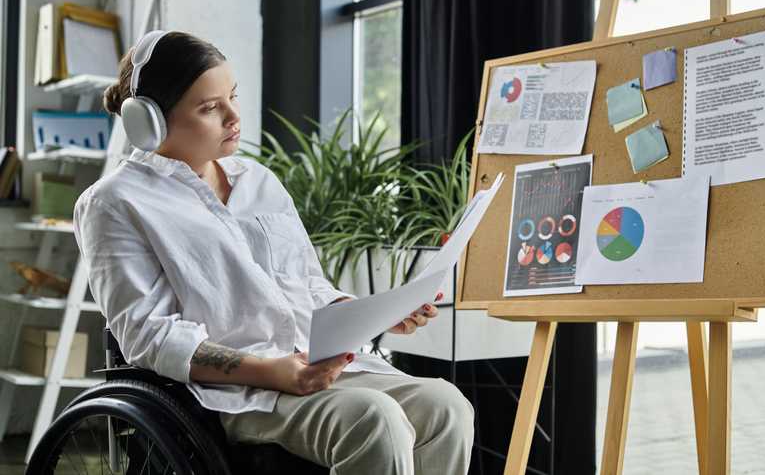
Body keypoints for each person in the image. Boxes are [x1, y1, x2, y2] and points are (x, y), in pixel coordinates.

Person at [73, 30, 474, 475]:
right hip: (233, 392)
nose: (233, 117)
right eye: (209, 107)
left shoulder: (258, 181)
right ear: (149, 122)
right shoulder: (113, 203)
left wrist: (376, 313)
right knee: (373, 420)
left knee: (446, 406)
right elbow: (150, 336)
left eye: (233, 97)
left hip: (315, 364)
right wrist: (272, 372)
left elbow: (306, 285)